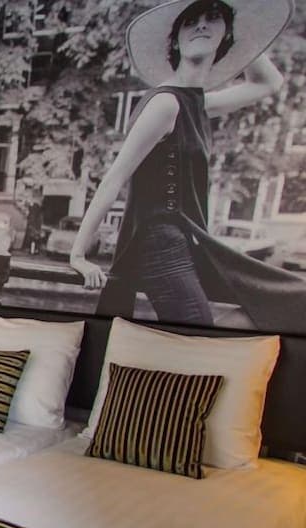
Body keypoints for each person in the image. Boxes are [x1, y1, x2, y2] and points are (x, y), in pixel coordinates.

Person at [69, 0, 306, 332]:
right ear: (176, 41)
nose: (202, 25)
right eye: (191, 21)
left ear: (226, 36)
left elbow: (268, 83)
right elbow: (114, 179)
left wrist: (243, 35)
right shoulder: (166, 104)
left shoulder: (197, 103)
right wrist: (78, 254)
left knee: (289, 298)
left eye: (213, 18)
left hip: (189, 242)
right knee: (200, 336)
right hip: (159, 246)